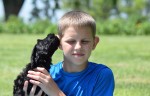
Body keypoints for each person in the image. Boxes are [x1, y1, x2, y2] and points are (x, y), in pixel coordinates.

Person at [23, 10, 115, 96]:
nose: (78, 47)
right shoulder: (47, 75)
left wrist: (56, 93)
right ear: (59, 43)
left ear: (94, 43)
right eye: (71, 41)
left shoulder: (101, 75)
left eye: (85, 41)